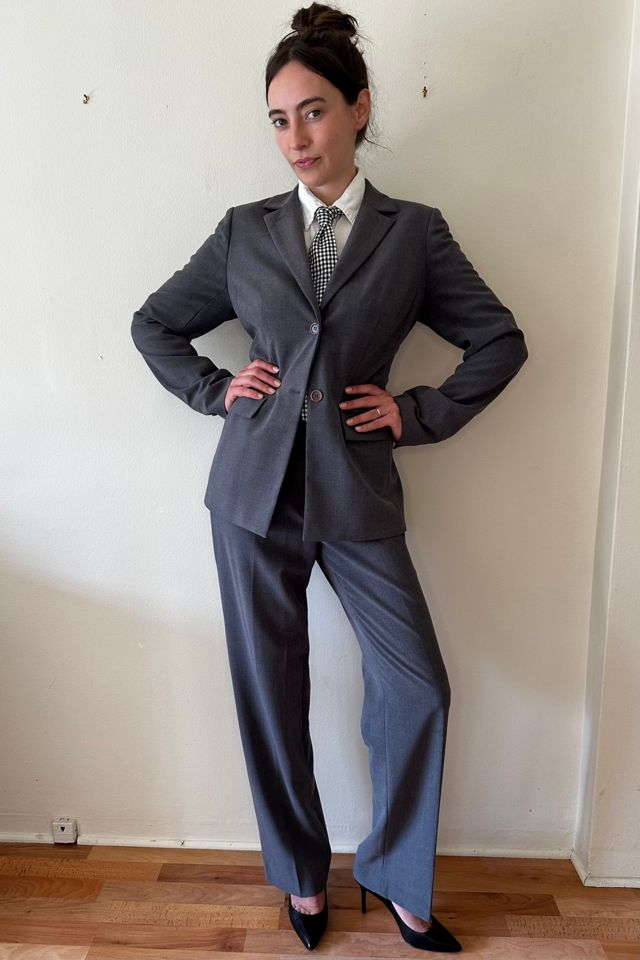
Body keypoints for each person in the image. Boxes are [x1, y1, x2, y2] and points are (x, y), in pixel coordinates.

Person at [130, 3, 528, 952]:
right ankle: (302, 878)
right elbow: (155, 323)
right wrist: (218, 390)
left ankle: (395, 874)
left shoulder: (413, 233)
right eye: (279, 119)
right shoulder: (244, 231)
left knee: (417, 685)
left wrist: (415, 413)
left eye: (312, 112)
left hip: (356, 491)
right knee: (270, 693)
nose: (296, 138)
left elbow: (499, 340)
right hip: (252, 495)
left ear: (358, 108)